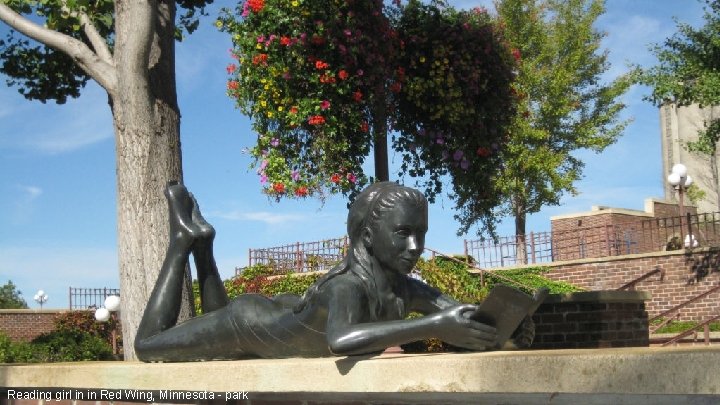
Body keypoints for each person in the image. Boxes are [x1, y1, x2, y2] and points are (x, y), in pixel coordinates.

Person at [135, 182, 532, 362]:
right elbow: (342, 340)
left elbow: (459, 318)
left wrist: (506, 328)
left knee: (207, 324)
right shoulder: (347, 287)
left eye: (421, 234)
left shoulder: (405, 288)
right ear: (367, 234)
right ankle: (182, 244)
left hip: (279, 315)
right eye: (403, 233)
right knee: (149, 346)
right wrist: (431, 327)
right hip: (249, 323)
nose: (416, 247)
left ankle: (202, 245)